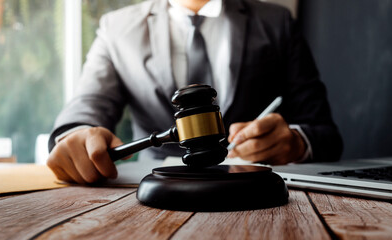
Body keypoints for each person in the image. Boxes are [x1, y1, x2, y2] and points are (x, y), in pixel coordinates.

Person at [47, 0, 343, 184]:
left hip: (250, 191)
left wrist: (295, 142)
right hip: (150, 193)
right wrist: (76, 135)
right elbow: (87, 105)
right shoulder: (117, 29)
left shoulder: (276, 22)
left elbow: (325, 133)